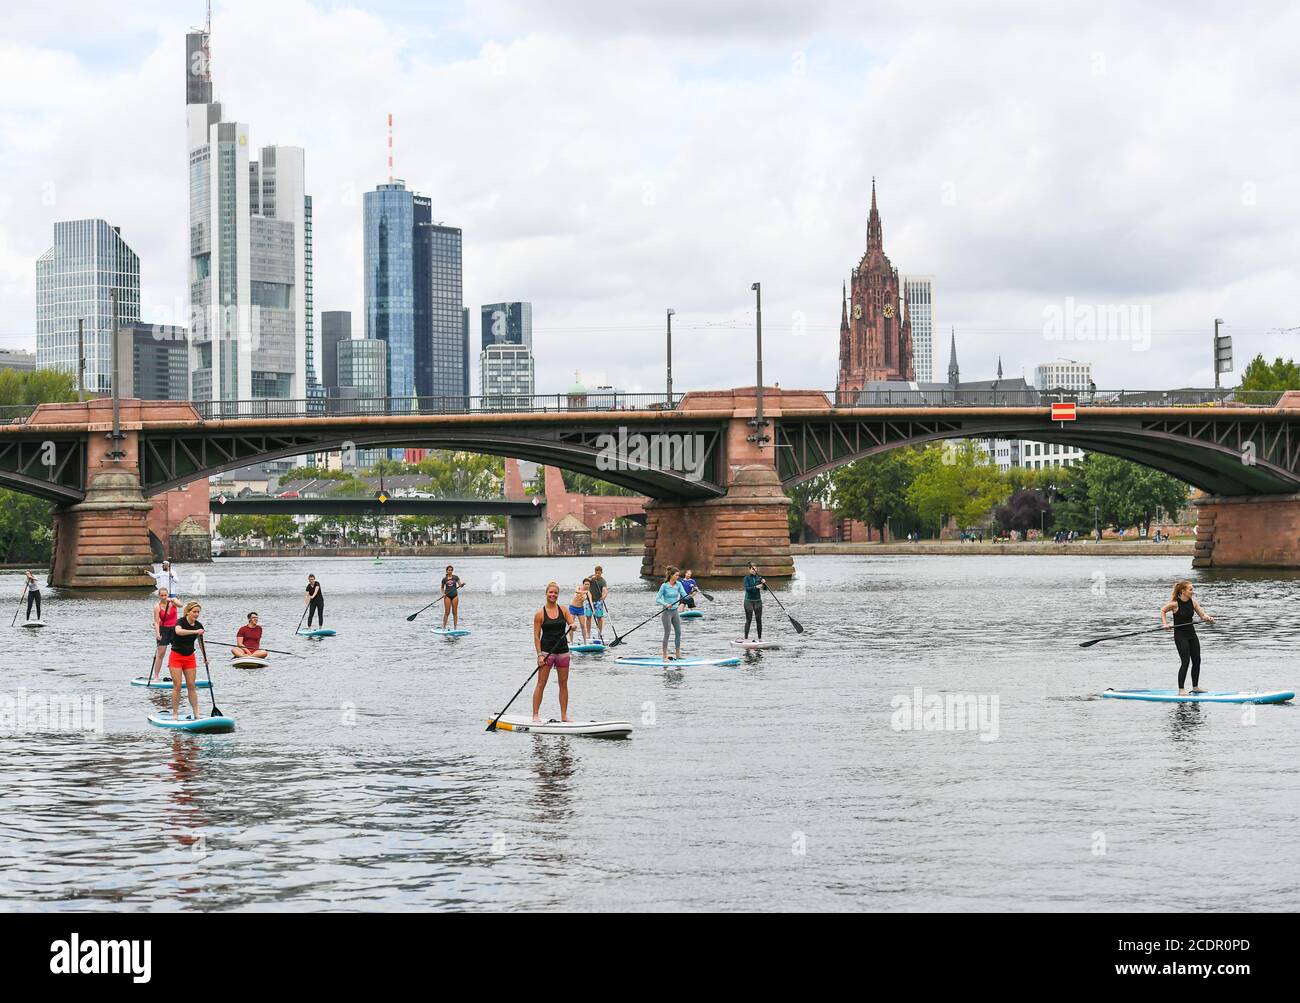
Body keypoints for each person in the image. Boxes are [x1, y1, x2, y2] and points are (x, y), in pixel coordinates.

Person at [532, 581, 577, 723]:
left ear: (558, 595)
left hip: (563, 652)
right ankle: (535, 715)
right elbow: (536, 637)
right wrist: (539, 655)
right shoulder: (539, 614)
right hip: (546, 653)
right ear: (546, 594)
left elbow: (571, 622)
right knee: (541, 684)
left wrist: (573, 625)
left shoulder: (563, 610)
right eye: (551, 592)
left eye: (555, 593)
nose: (553, 595)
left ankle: (564, 716)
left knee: (563, 684)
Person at [1160, 581, 1215, 695]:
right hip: (1180, 636)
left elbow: (1202, 615)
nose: (1192, 591)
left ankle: (1195, 687)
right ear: (1183, 591)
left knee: (1197, 660)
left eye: (1192, 589)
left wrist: (1208, 618)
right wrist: (1165, 624)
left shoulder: (1193, 603)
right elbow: (1163, 610)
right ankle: (1181, 689)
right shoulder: (1175, 604)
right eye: (1190, 589)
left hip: (1192, 635)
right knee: (1185, 661)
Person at [168, 600, 208, 721]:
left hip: (190, 657)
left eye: (198, 612)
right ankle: (175, 713)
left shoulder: (199, 625)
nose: (196, 614)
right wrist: (195, 632)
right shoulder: (180, 621)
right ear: (188, 612)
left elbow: (201, 643)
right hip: (176, 657)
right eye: (194, 612)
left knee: (191, 685)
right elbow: (178, 631)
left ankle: (196, 713)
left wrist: (205, 658)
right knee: (177, 686)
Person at [149, 588, 180, 680]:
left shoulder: (173, 602)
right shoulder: (157, 606)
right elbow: (156, 622)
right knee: (161, 654)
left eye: (165, 595)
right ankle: (156, 676)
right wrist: (158, 634)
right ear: (159, 596)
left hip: (174, 629)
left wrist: (173, 599)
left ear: (168, 595)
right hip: (163, 630)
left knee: (177, 652)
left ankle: (177, 675)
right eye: (161, 595)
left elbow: (181, 605)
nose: (163, 597)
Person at [657, 567, 687, 662]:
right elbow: (657, 599)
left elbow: (684, 594)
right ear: (671, 575)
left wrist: (692, 592)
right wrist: (666, 604)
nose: (678, 577)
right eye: (676, 575)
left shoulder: (679, 584)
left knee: (678, 632)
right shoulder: (664, 586)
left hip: (675, 612)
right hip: (666, 612)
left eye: (678, 575)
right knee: (667, 633)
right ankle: (664, 656)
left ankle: (678, 654)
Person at [742, 562, 766, 641]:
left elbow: (765, 589)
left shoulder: (759, 578)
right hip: (748, 601)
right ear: (749, 570)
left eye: (755, 569)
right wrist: (756, 587)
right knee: (749, 620)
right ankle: (746, 638)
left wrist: (764, 583)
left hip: (758, 601)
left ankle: (760, 638)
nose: (754, 570)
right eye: (752, 569)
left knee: (759, 620)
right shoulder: (746, 578)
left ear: (757, 570)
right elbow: (747, 589)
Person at [587, 565, 609, 643]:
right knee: (588, 616)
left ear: (601, 573)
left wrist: (603, 596)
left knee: (599, 618)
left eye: (599, 573)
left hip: (598, 602)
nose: (597, 574)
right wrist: (591, 579)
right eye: (596, 573)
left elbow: (605, 590)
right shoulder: (591, 577)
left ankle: (599, 634)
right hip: (590, 601)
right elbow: (585, 582)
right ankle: (588, 634)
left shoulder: (603, 581)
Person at [567, 578, 593, 644]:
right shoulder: (578, 588)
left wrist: (593, 610)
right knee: (571, 625)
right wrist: (584, 592)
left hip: (580, 609)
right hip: (572, 608)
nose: (587, 585)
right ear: (583, 584)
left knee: (583, 625)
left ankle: (585, 642)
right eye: (586, 584)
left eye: (588, 584)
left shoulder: (588, 593)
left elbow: (591, 602)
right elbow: (576, 591)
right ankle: (571, 641)